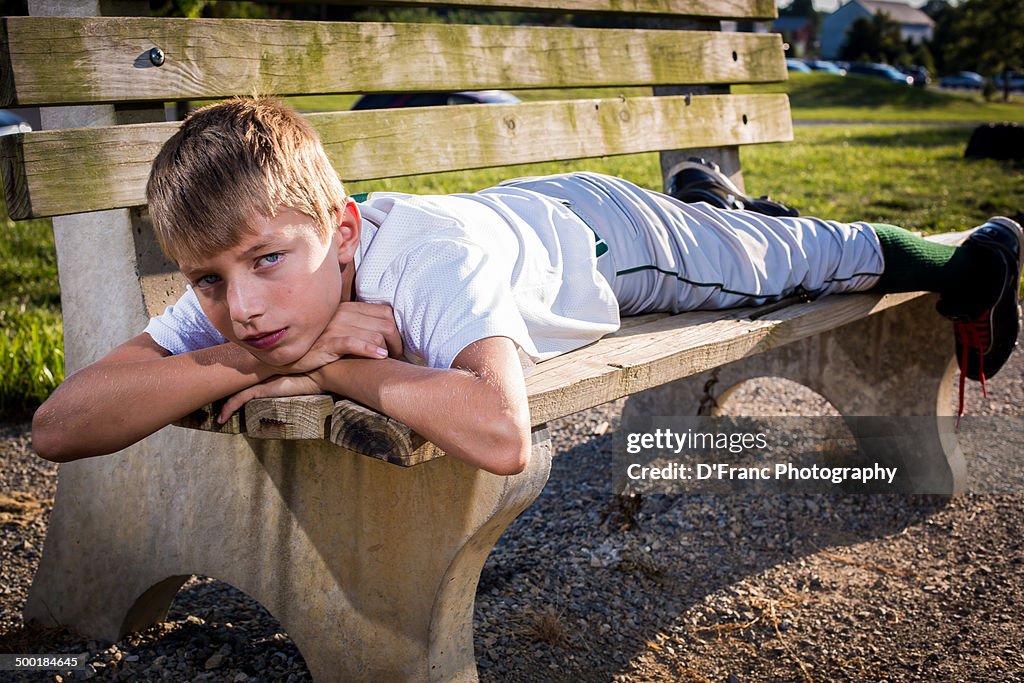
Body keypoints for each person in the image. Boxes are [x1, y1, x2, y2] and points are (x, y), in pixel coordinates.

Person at [31, 97, 1023, 474]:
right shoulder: (247, 289)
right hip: (517, 216)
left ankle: (973, 254)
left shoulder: (423, 262)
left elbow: (500, 436)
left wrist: (334, 368)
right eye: (208, 281)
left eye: (264, 266)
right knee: (737, 233)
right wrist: (240, 355)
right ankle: (719, 201)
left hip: (601, 239)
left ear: (339, 235)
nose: (241, 305)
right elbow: (58, 426)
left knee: (788, 263)